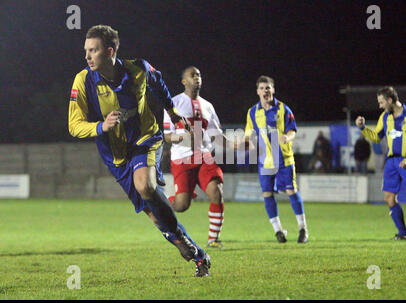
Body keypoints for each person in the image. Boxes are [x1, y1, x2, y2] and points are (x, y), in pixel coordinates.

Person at [68, 25, 211, 276]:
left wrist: (173, 113)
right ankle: (196, 253)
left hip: (146, 138)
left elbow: (159, 85)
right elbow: (73, 125)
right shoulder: (83, 81)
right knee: (154, 215)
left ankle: (187, 246)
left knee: (145, 185)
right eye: (86, 50)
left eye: (94, 50)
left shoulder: (139, 68)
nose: (87, 56)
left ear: (110, 51)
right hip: (116, 156)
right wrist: (102, 126)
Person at [238, 75, 309, 243]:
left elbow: (292, 130)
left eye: (268, 87)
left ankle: (303, 228)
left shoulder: (284, 109)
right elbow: (249, 134)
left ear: (273, 90)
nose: (265, 91)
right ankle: (278, 230)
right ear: (257, 91)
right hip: (265, 161)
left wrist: (288, 138)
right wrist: (245, 143)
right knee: (267, 194)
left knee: (291, 191)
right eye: (262, 88)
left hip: (284, 159)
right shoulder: (253, 112)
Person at [355, 86, 406, 241]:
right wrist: (362, 128)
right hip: (391, 162)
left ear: (390, 100)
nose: (380, 106)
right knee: (389, 198)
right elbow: (376, 137)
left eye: (382, 102)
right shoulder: (384, 117)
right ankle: (403, 233)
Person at [163, 66, 225, 249]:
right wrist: (181, 137)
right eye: (192, 75)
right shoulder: (173, 104)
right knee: (181, 205)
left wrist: (236, 144)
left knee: (216, 191)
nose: (197, 77)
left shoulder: (208, 106)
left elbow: (217, 135)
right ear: (184, 81)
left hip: (204, 156)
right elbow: (166, 135)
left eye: (199, 74)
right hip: (182, 159)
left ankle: (214, 240)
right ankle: (161, 203)